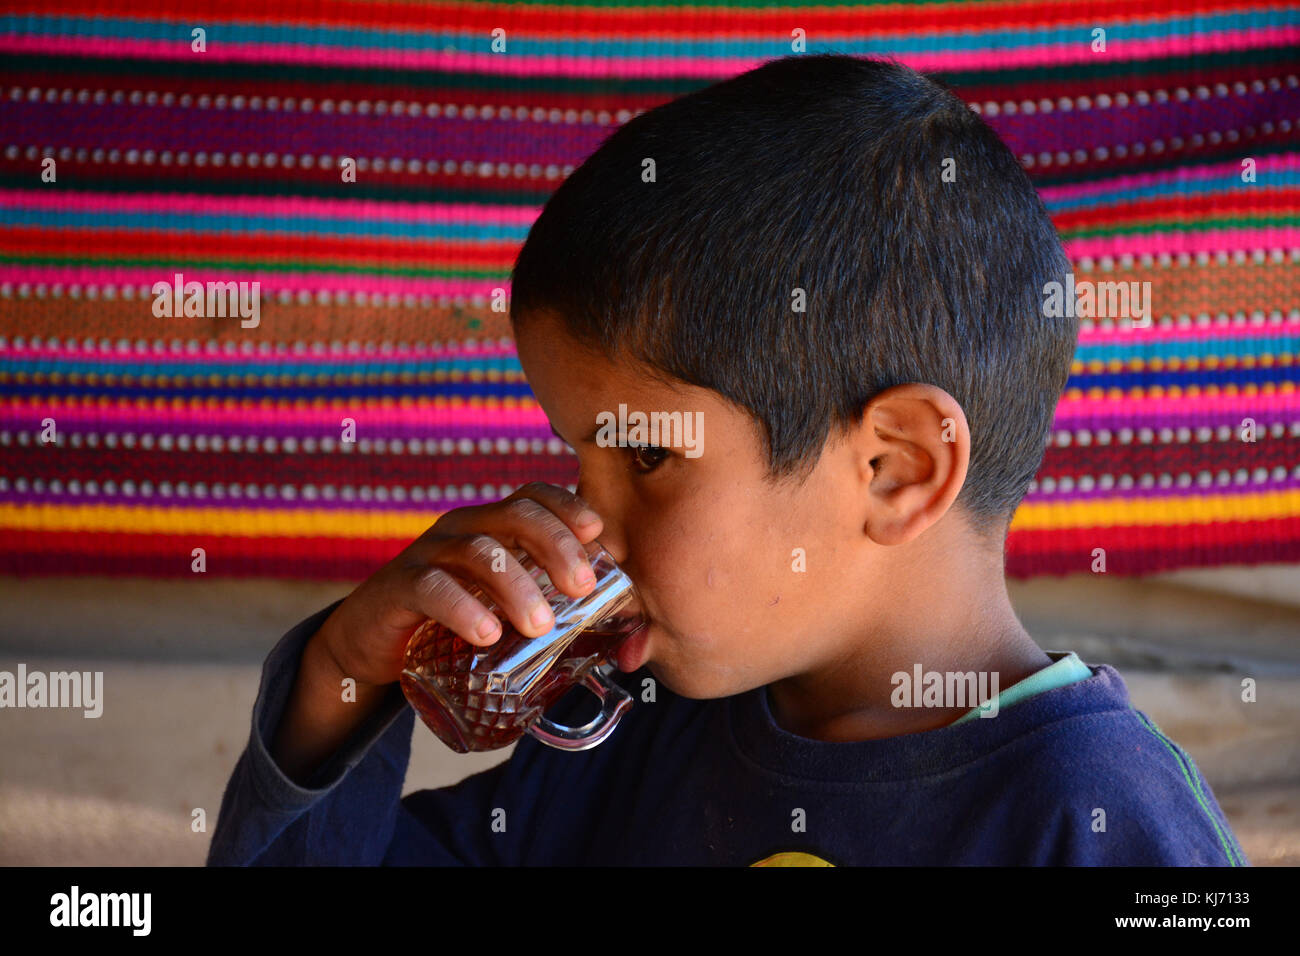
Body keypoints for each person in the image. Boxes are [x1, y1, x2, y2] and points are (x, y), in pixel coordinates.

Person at [207, 54, 1247, 866]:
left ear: (897, 469)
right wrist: (342, 676)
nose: (587, 522)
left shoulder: (1101, 813)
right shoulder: (622, 745)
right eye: (581, 459)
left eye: (648, 454)